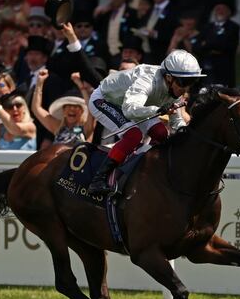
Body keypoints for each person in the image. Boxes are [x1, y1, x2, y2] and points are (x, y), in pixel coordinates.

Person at [87, 49, 205, 195]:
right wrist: (159, 110)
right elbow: (129, 109)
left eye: (191, 82)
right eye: (184, 82)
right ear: (169, 77)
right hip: (105, 100)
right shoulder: (147, 80)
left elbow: (177, 121)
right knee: (133, 135)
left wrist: (188, 133)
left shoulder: (175, 86)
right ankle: (98, 180)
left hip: (134, 105)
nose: (186, 88)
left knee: (161, 134)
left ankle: (148, 170)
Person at [31, 68, 93, 144]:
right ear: (63, 110)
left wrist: (81, 86)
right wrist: (39, 82)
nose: (72, 109)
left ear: (82, 111)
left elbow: (92, 109)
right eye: (68, 106)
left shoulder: (85, 127)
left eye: (76, 107)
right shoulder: (58, 127)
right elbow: (36, 108)